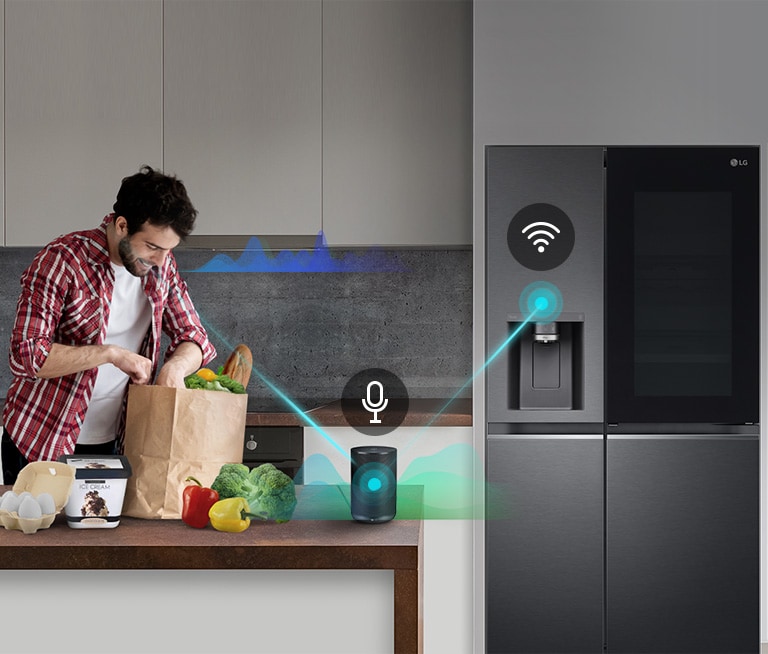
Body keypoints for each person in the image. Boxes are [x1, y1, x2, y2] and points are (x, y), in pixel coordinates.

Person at [1, 165, 216, 485]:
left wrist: (176, 367)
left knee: (104, 537)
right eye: (153, 246)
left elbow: (194, 337)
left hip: (114, 444)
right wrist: (111, 354)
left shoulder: (161, 266)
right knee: (45, 533)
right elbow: (26, 354)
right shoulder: (62, 260)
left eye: (168, 250)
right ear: (121, 225)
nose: (160, 260)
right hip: (41, 440)